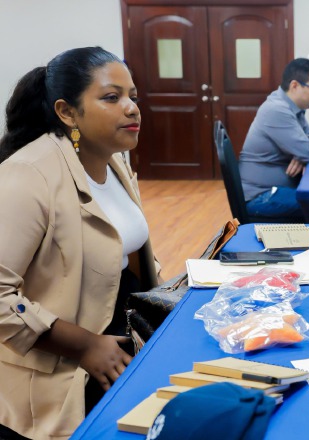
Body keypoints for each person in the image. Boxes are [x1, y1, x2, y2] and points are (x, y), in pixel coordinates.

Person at [0, 47, 160, 440]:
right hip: (62, 370)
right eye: (111, 97)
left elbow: (122, 252)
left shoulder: (113, 159)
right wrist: (85, 345)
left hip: (121, 341)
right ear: (67, 112)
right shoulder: (27, 176)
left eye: (133, 97)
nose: (131, 108)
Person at [238, 58, 309, 221]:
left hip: (276, 188)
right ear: (295, 85)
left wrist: (304, 155)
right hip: (261, 195)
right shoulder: (277, 110)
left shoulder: (294, 107)